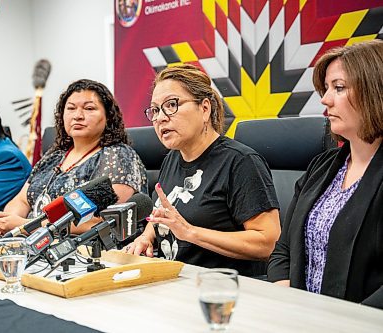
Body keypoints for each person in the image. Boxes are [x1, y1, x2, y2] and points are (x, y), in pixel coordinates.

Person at [125, 64, 281, 276]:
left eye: (171, 105)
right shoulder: (172, 159)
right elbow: (163, 216)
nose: (160, 117)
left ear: (205, 108)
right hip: (172, 282)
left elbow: (268, 243)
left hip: (220, 293)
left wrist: (190, 232)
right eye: (155, 110)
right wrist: (146, 237)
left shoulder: (240, 162)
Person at [267, 40, 383, 309]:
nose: (325, 99)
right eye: (327, 88)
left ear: (375, 91)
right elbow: (282, 251)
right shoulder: (321, 167)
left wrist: (339, 321)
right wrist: (289, 301)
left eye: (339, 88)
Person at [0, 79, 148, 236]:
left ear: (108, 117)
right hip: (33, 243)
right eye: (71, 108)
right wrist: (6, 221)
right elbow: (22, 200)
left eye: (89, 108)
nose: (78, 116)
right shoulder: (54, 156)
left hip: (84, 252)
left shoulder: (119, 155)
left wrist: (26, 226)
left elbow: (99, 221)